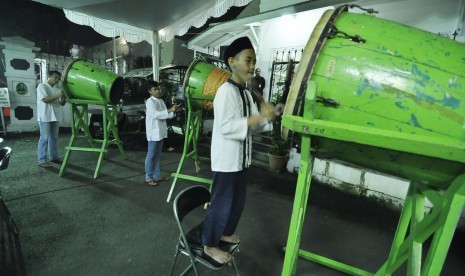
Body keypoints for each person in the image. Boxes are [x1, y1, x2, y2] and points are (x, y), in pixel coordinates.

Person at [202, 37, 276, 264]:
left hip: (241, 160)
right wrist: (259, 117)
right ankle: (209, 244)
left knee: (238, 201)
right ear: (232, 61)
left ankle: (225, 233)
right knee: (221, 203)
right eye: (248, 60)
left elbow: (258, 125)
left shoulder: (245, 93)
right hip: (226, 161)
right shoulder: (226, 92)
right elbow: (226, 127)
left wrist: (268, 116)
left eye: (254, 61)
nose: (252, 66)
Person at [144, 81, 180, 186]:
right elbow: (155, 115)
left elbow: (165, 115)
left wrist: (175, 111)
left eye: (158, 88)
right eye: (155, 89)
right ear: (150, 91)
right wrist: (170, 110)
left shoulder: (161, 101)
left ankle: (157, 176)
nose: (158, 91)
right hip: (153, 133)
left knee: (157, 155)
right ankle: (148, 177)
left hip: (160, 132)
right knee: (151, 155)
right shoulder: (150, 102)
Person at [37, 70, 66, 168]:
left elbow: (61, 103)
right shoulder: (42, 86)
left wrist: (63, 98)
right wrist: (58, 96)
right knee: (44, 138)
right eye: (55, 77)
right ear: (49, 76)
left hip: (55, 116)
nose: (57, 80)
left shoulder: (57, 90)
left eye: (58, 79)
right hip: (45, 116)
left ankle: (54, 157)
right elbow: (45, 100)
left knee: (53, 138)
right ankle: (42, 160)